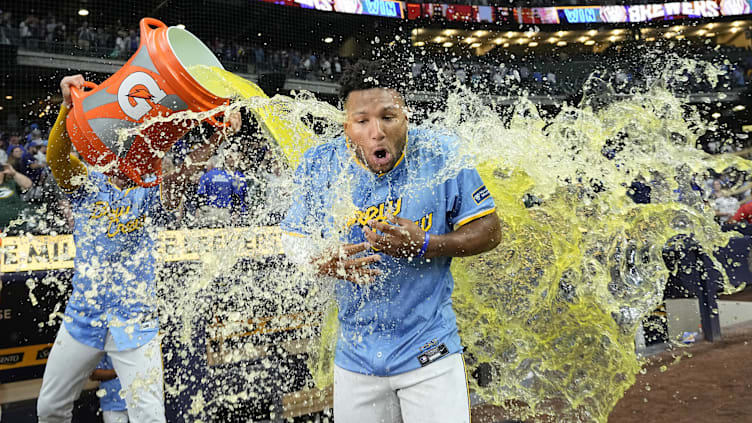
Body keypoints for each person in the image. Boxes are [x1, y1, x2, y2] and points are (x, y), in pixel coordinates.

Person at [280, 60, 502, 422]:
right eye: (362, 121)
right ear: (346, 125)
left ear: (406, 117)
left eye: (388, 117)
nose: (376, 132)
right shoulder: (320, 164)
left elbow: (490, 231)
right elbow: (291, 236)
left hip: (430, 352)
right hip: (355, 359)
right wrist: (320, 259)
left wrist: (427, 244)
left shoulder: (441, 154)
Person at [36, 74, 241, 423]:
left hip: (135, 324)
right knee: (49, 408)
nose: (125, 151)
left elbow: (183, 173)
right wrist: (66, 108)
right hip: (82, 319)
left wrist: (220, 135)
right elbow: (56, 159)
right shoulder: (86, 183)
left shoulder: (150, 186)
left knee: (149, 417)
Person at [90, 355, 129, 423]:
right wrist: (121, 370)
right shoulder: (103, 345)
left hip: (141, 401)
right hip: (113, 403)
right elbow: (94, 374)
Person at [0, 162, 33, 233]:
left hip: (17, 226)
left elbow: (28, 185)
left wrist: (14, 173)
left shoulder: (11, 183)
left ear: (3, 172)